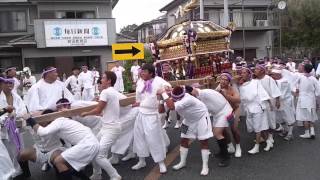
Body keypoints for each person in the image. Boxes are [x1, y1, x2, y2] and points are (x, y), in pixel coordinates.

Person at [26, 111, 99, 180]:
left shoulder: (58, 122)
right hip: (90, 143)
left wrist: (29, 119)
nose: (41, 123)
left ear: (48, 118)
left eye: (42, 120)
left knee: (59, 161)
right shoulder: (63, 121)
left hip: (87, 144)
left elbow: (42, 132)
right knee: (67, 162)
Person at [159, 86, 212, 175]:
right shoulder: (172, 98)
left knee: (203, 141)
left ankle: (205, 166)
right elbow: (161, 110)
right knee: (183, 139)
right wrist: (161, 99)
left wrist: (163, 93)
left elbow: (171, 107)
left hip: (201, 118)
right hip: (188, 120)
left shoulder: (188, 99)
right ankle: (182, 162)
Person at [81, 71, 122, 180]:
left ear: (109, 81)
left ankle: (115, 176)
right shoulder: (113, 91)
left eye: (103, 78)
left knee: (99, 155)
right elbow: (104, 110)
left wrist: (86, 114)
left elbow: (98, 109)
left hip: (111, 129)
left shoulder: (106, 92)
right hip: (107, 127)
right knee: (94, 149)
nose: (101, 80)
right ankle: (97, 174)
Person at [131, 63, 169, 173]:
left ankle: (161, 163)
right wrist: (135, 104)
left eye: (144, 72)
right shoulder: (140, 81)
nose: (142, 73)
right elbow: (138, 97)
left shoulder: (158, 80)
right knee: (139, 137)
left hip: (152, 115)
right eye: (141, 71)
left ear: (151, 73)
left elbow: (167, 87)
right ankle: (141, 160)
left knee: (154, 139)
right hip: (141, 113)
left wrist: (164, 90)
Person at [186, 85, 233, 166]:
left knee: (217, 133)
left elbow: (195, 92)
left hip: (225, 111)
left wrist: (191, 90)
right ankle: (224, 151)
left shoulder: (204, 93)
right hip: (216, 114)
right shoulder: (197, 97)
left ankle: (226, 157)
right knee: (221, 133)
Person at [0, 78, 27, 178]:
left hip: (16, 127)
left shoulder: (16, 96)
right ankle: (11, 172)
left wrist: (15, 115)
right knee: (7, 151)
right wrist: (5, 119)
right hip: (4, 129)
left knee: (19, 148)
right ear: (2, 85)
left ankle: (21, 170)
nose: (9, 85)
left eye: (11, 83)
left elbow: (23, 109)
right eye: (6, 83)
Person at [239, 67, 270, 154]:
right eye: (241, 73)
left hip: (257, 107)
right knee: (261, 126)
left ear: (249, 74)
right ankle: (268, 142)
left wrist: (268, 104)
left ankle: (256, 147)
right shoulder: (242, 86)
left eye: (244, 72)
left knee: (258, 128)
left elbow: (262, 93)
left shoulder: (256, 82)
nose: (242, 74)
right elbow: (243, 99)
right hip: (249, 108)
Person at [254, 63, 281, 151]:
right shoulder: (255, 80)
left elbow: (275, 89)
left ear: (262, 71)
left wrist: (277, 100)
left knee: (270, 120)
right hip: (260, 103)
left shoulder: (268, 79)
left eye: (257, 69)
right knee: (262, 120)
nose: (255, 71)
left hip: (270, 102)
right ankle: (263, 137)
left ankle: (270, 136)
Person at [217, 72, 242, 157]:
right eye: (222, 79)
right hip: (223, 111)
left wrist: (226, 95)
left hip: (234, 110)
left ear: (229, 82)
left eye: (225, 80)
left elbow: (238, 100)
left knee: (234, 129)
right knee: (222, 129)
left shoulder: (232, 89)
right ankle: (230, 146)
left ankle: (238, 147)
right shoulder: (218, 89)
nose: (223, 81)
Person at [295, 63, 320, 139]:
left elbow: (295, 85)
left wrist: (297, 90)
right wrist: (317, 99)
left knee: (305, 117)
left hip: (303, 99)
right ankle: (312, 131)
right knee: (311, 115)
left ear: (304, 69)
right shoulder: (314, 79)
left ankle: (307, 133)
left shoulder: (300, 77)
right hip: (311, 98)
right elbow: (318, 91)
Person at [269, 68, 296, 140]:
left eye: (273, 75)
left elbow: (281, 94)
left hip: (285, 102)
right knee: (280, 118)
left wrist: (277, 101)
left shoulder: (284, 81)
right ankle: (285, 130)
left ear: (278, 75)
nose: (272, 76)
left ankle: (290, 134)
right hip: (278, 102)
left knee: (288, 117)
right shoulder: (277, 81)